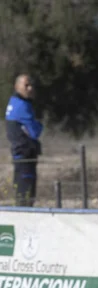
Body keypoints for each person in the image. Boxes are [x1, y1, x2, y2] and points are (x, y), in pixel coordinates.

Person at [5, 74, 42, 207]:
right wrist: (39, 125)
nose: (30, 88)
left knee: (21, 195)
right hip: (25, 157)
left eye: (31, 85)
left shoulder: (13, 102)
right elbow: (35, 131)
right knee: (26, 198)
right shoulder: (22, 106)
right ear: (17, 86)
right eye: (26, 85)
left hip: (19, 155)